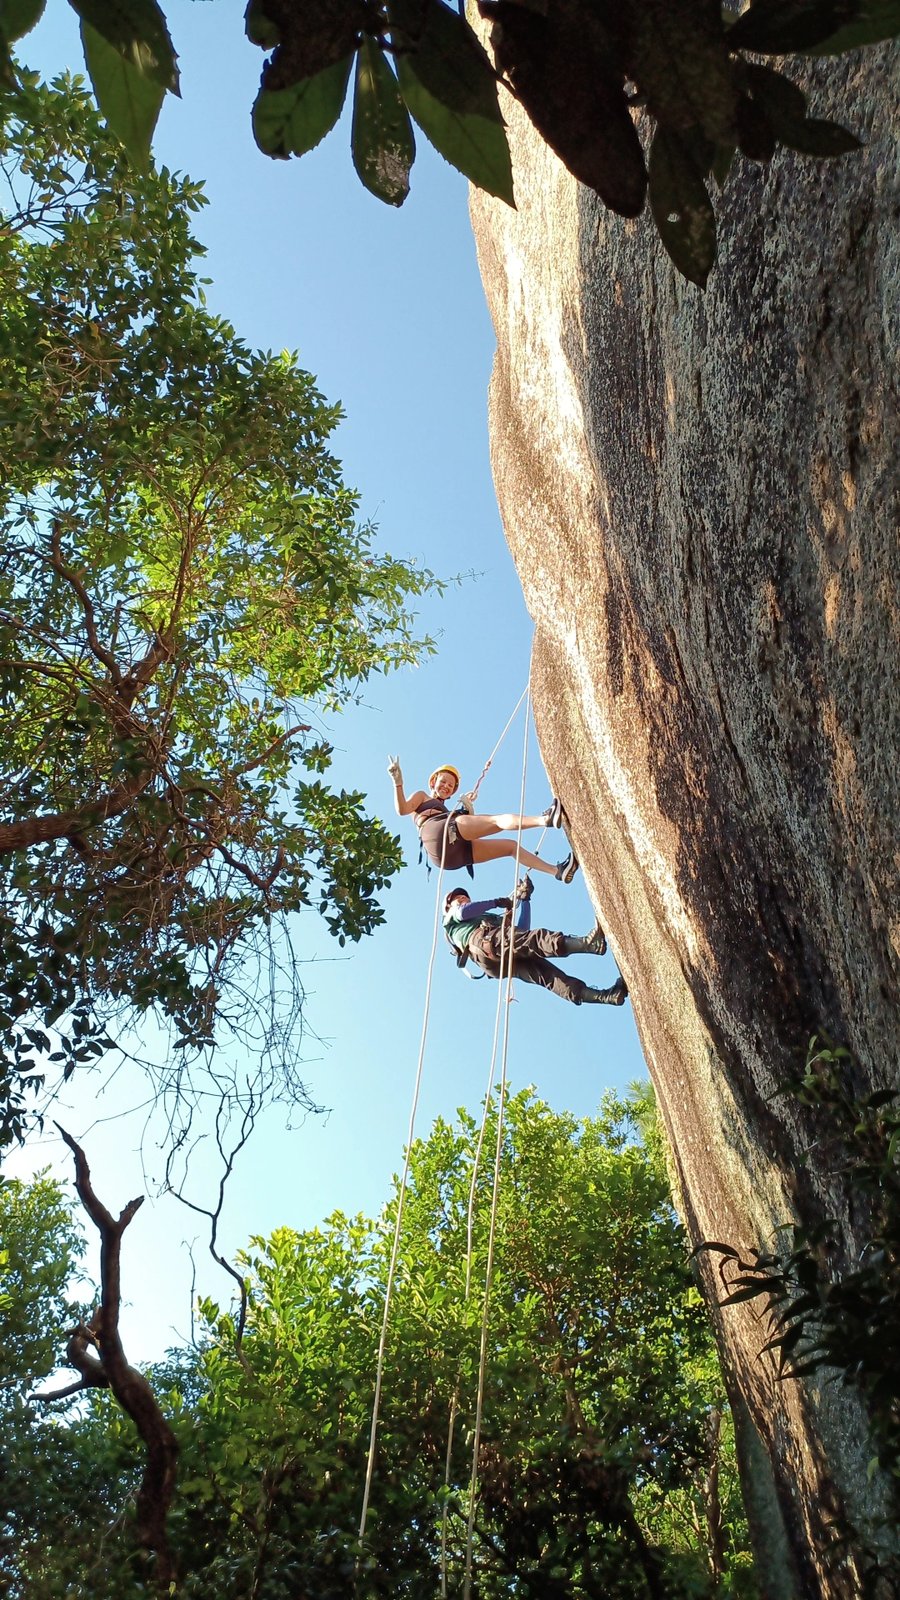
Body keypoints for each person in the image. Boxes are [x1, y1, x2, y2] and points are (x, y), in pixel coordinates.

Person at [443, 877, 628, 1006]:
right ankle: (589, 944)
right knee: (537, 940)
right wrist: (497, 901)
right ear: (449, 904)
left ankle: (608, 997)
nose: (462, 898)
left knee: (548, 976)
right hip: (484, 944)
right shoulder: (452, 917)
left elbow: (522, 932)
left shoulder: (485, 918)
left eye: (464, 896)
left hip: (494, 959)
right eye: (457, 897)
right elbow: (463, 912)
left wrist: (525, 900)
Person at [388, 757, 578, 881]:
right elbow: (403, 809)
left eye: (451, 785)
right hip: (437, 833)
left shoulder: (447, 810)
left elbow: (470, 831)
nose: (446, 786)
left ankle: (557, 871)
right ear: (433, 781)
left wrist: (468, 810)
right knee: (495, 820)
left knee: (510, 847)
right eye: (443, 781)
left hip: (450, 857)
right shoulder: (423, 797)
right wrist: (398, 783)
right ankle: (544, 820)